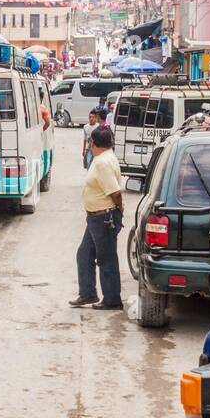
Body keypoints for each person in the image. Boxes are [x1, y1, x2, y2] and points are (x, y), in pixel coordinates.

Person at [71, 126, 124, 310]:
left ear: (93, 142)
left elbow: (116, 192)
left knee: (106, 259)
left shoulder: (102, 162)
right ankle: (87, 293)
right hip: (95, 218)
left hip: (103, 218)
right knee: (84, 254)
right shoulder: (104, 156)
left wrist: (119, 209)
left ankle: (112, 300)